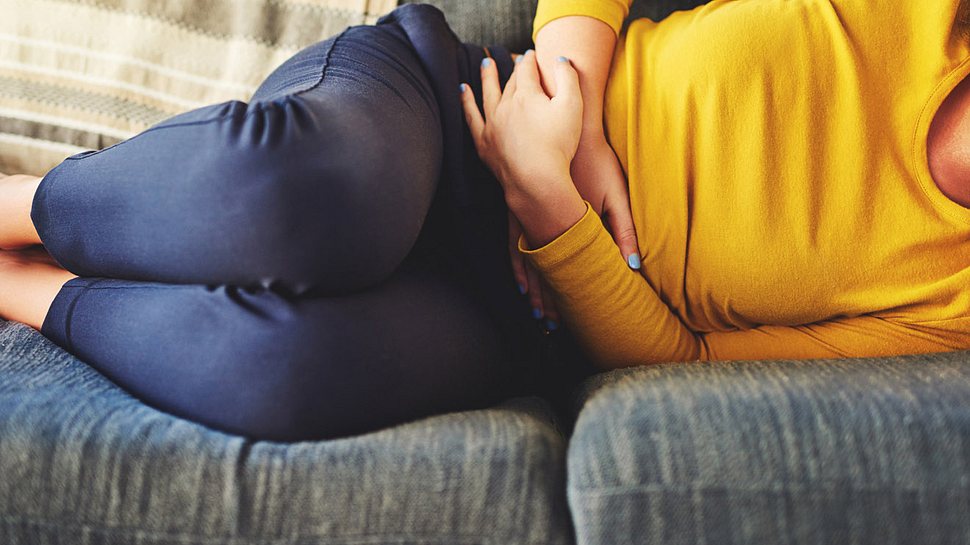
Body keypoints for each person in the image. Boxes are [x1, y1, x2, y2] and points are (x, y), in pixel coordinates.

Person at [0, 0, 968, 442]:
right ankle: (14, 206)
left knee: (286, 375)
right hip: (440, 110)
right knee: (313, 198)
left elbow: (690, 366)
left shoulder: (952, 303)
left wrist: (550, 206)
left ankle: (23, 285)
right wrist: (574, 97)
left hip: (509, 311)